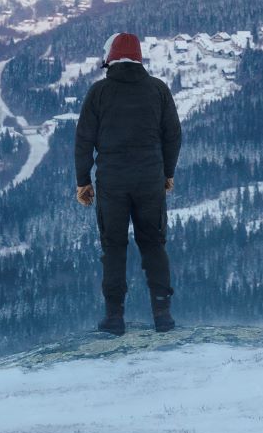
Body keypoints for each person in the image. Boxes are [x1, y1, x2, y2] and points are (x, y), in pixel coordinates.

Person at [74, 32, 182, 335]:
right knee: (153, 244)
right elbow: (173, 135)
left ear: (110, 58)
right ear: (139, 58)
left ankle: (114, 317)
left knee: (114, 246)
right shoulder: (158, 90)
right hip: (150, 179)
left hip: (112, 182)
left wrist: (83, 181)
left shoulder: (99, 93)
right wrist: (167, 173)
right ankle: (162, 314)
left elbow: (84, 141)